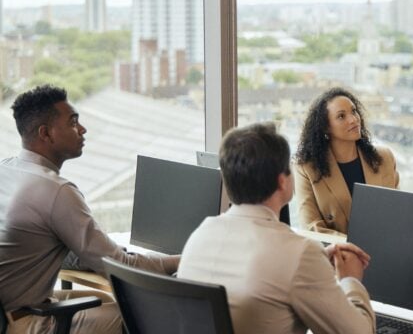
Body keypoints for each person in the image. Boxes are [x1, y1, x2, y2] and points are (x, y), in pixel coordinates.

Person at [0, 85, 179, 334]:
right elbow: (123, 267)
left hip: (11, 309)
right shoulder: (55, 190)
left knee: (106, 300)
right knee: (142, 314)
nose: (83, 129)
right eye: (73, 122)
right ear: (46, 133)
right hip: (21, 322)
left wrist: (99, 251)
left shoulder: (7, 169)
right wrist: (185, 258)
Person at [178, 123, 375, 334]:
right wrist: (350, 280)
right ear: (282, 182)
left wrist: (315, 264)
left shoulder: (200, 235)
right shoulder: (298, 254)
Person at [294, 87, 400, 235]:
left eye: (354, 111)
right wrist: (352, 248)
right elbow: (311, 226)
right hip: (338, 255)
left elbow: (396, 212)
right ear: (325, 127)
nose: (353, 119)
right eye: (341, 116)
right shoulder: (306, 168)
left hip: (385, 250)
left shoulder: (384, 157)